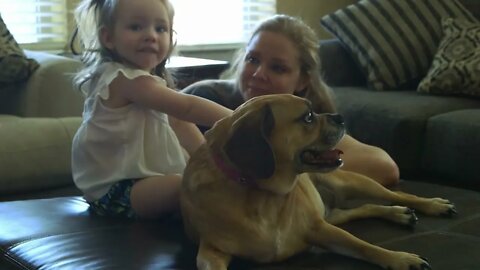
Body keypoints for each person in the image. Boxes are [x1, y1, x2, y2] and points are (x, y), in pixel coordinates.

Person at [182, 14, 400, 187]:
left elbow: (384, 167)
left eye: (277, 68)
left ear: (303, 81)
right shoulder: (204, 97)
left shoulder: (303, 118)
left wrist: (294, 167)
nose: (258, 74)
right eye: (252, 59)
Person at [70, 0, 232, 219]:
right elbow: (187, 107)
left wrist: (213, 164)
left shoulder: (146, 82)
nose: (151, 35)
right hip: (115, 192)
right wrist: (239, 117)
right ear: (108, 37)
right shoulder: (122, 79)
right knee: (189, 185)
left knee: (208, 179)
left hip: (143, 181)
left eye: (160, 28)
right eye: (136, 27)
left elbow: (179, 122)